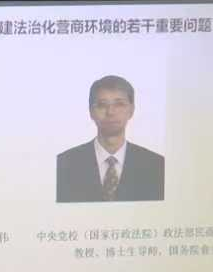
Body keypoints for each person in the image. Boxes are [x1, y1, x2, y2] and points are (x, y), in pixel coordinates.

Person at [56, 74, 165, 202]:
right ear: (91, 111)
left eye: (119, 104)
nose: (110, 112)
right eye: (102, 105)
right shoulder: (64, 164)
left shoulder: (156, 165)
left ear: (131, 110)